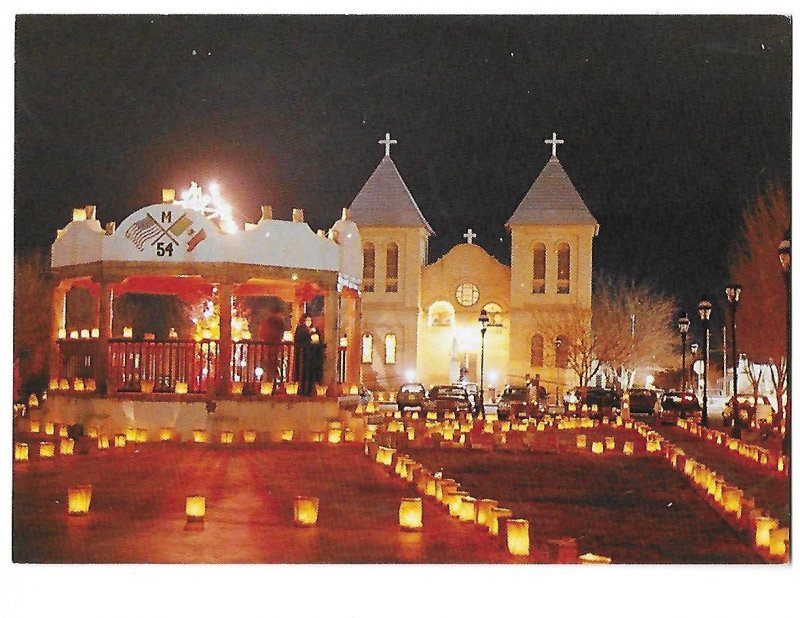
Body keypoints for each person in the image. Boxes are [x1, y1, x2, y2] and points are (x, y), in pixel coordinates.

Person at [294, 315, 314, 396]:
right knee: (302, 371)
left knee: (307, 372)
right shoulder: (301, 329)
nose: (309, 322)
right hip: (303, 354)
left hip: (309, 354)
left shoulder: (310, 330)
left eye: (310, 320)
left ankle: (307, 389)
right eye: (307, 320)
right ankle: (302, 390)